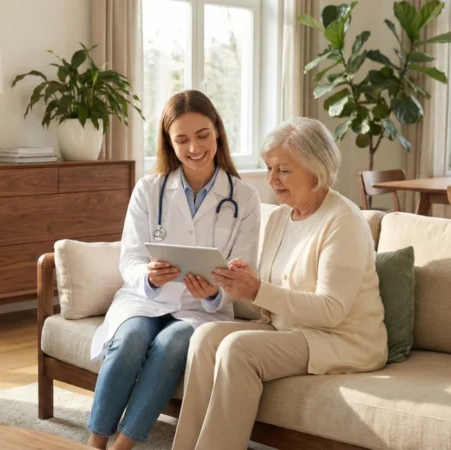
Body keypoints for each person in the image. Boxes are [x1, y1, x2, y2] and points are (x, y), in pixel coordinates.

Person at [172, 117, 389, 450]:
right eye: (269, 168)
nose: (272, 180)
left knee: (238, 348)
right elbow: (269, 300)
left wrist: (258, 289)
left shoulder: (343, 221)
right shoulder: (279, 217)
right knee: (205, 336)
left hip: (342, 339)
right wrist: (234, 284)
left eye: (283, 170)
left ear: (317, 171)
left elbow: (331, 312)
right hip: (288, 330)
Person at [86, 90, 261, 450]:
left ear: (217, 132)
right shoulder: (149, 189)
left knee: (171, 345)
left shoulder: (243, 198)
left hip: (200, 311)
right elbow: (129, 258)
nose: (194, 148)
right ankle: (94, 443)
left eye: (203, 136)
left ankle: (122, 446)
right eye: (182, 139)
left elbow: (243, 270)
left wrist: (214, 292)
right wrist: (148, 276)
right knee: (130, 341)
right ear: (168, 142)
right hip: (145, 300)